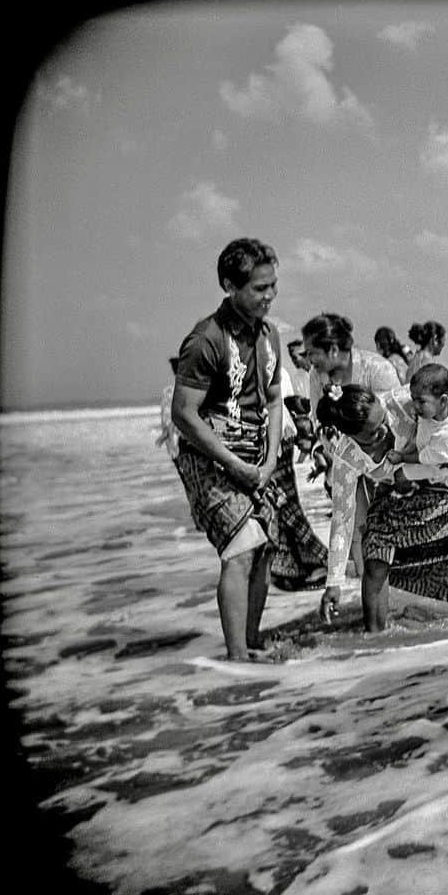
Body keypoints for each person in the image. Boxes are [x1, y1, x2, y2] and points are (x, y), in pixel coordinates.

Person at [172, 238, 323, 662]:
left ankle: (252, 641)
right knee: (242, 546)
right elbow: (184, 414)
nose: (270, 296)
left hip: (258, 458)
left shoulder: (270, 334)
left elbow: (274, 399)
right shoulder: (205, 340)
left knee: (264, 551)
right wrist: (235, 464)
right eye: (259, 288)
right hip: (211, 460)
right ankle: (237, 655)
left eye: (273, 286)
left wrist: (272, 458)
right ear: (229, 285)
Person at [315, 382, 448, 631]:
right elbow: (342, 520)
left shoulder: (401, 401)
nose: (384, 429)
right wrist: (334, 582)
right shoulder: (346, 457)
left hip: (440, 482)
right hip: (394, 496)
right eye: (372, 433)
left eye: (382, 419)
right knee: (375, 554)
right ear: (351, 436)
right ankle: (375, 641)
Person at [301, 312, 401, 586]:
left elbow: (396, 425)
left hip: (387, 457)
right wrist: (324, 452)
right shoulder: (316, 375)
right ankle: (363, 587)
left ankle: (396, 584)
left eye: (312, 352)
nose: (309, 360)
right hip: (347, 457)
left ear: (333, 349)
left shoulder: (376, 369)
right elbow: (318, 416)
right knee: (355, 524)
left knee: (390, 523)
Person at [387, 363, 448, 485]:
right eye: (414, 399)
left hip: (438, 464)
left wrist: (402, 458)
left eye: (421, 401)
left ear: (443, 401)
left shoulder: (445, 434)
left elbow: (425, 458)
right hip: (430, 446)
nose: (415, 406)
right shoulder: (437, 405)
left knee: (399, 476)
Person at [155, 357, 183, 468]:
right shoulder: (174, 391)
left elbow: (166, 419)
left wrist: (166, 433)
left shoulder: (168, 391)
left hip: (175, 442)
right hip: (180, 440)